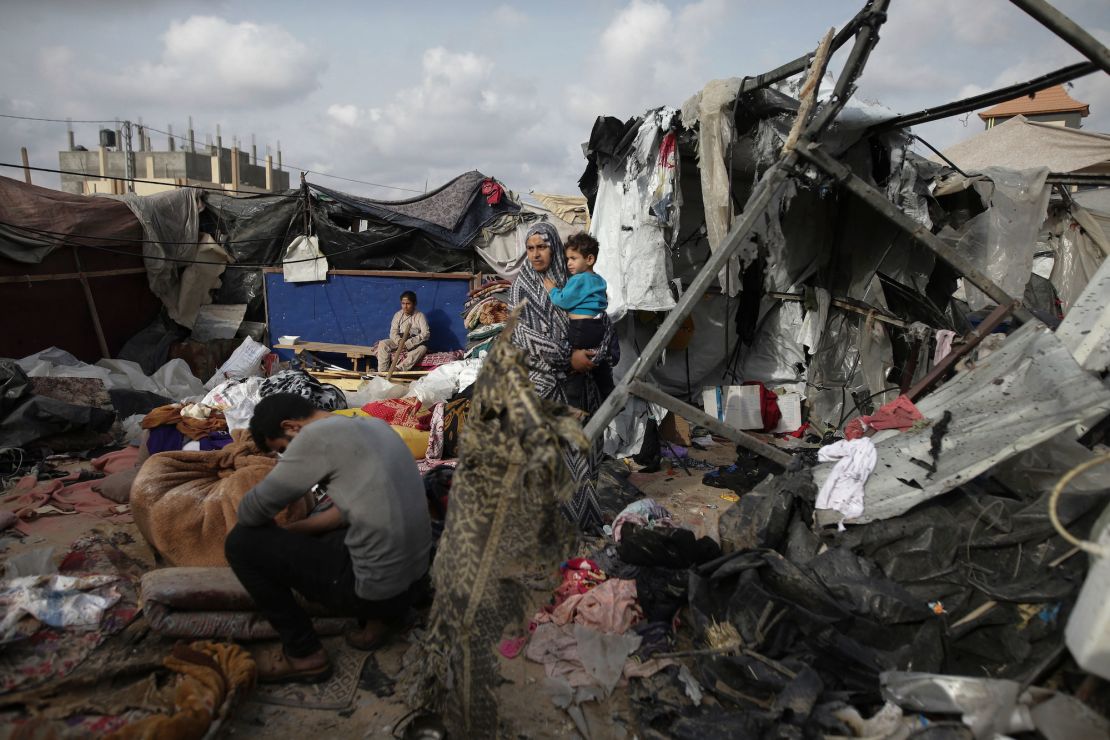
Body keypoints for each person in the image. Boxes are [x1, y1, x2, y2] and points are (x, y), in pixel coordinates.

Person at [224, 393, 432, 684]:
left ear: (291, 426)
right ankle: (380, 621)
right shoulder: (373, 426)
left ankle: (304, 653)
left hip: (374, 594)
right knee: (343, 531)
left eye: (284, 448)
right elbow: (349, 511)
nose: (288, 455)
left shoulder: (315, 439)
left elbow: (251, 512)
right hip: (413, 584)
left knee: (240, 543)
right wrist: (291, 533)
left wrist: (269, 533)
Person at [509, 222, 614, 531]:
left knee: (585, 450)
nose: (536, 254)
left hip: (583, 381)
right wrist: (568, 356)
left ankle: (581, 518)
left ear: (553, 247)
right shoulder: (521, 287)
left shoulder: (575, 278)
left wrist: (594, 354)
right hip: (543, 383)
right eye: (530, 249)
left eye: (542, 247)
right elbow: (521, 336)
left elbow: (602, 321)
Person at [542, 231, 614, 407]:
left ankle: (573, 399)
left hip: (581, 328)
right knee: (599, 365)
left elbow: (563, 300)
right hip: (597, 326)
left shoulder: (578, 280)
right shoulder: (599, 280)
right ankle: (610, 395)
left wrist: (552, 289)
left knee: (576, 366)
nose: (569, 263)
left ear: (589, 259)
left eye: (574, 258)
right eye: (567, 259)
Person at [376, 291, 430, 373]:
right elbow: (393, 332)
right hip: (399, 341)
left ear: (414, 304)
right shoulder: (398, 315)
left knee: (423, 349)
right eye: (403, 303)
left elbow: (426, 334)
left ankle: (399, 368)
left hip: (413, 344)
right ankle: (382, 371)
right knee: (383, 343)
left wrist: (409, 343)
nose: (405, 306)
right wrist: (399, 341)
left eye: (408, 303)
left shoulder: (420, 316)